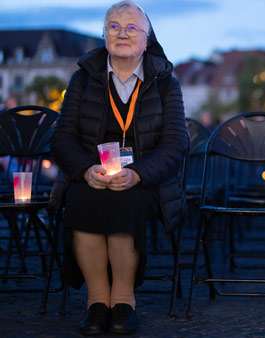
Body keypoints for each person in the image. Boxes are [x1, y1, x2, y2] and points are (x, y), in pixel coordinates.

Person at [50, 1, 189, 335]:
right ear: (104, 35)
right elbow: (62, 138)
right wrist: (85, 171)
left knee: (124, 200)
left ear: (146, 39)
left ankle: (124, 301)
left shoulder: (166, 83)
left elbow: (176, 144)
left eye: (131, 28)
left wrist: (138, 173)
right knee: (83, 199)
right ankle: (97, 302)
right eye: (113, 26)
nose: (121, 33)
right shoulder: (82, 79)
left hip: (146, 181)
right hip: (91, 176)